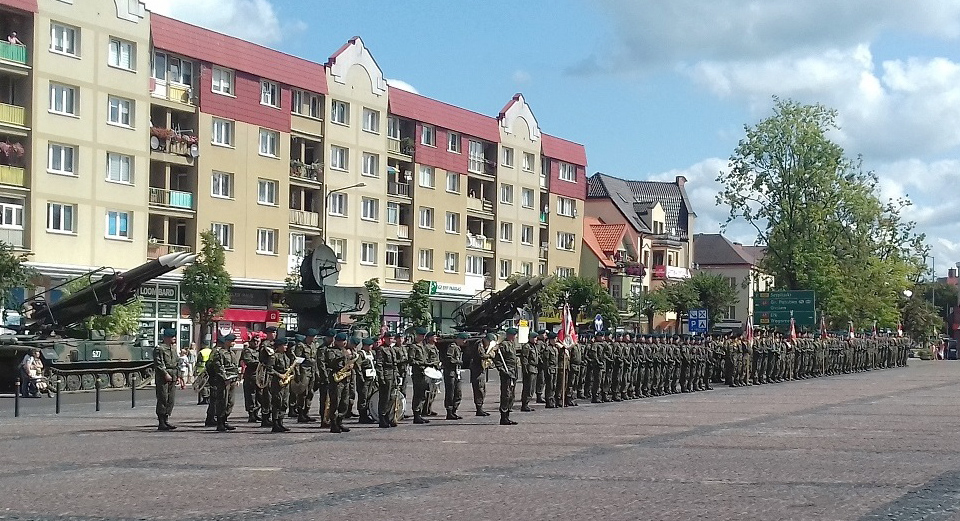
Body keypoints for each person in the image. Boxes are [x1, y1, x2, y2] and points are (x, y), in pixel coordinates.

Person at [207, 334, 239, 432]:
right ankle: (220, 423)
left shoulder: (232, 353)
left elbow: (234, 367)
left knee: (230, 402)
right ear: (227, 342)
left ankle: (225, 420)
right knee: (222, 401)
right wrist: (225, 378)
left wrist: (236, 378)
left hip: (232, 379)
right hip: (223, 381)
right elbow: (218, 367)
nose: (234, 343)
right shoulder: (219, 353)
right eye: (232, 341)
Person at [324, 333, 353, 433]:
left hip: (345, 379)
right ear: (336, 341)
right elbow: (332, 362)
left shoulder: (345, 351)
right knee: (335, 402)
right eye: (341, 340)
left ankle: (340, 421)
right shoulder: (331, 351)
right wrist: (343, 357)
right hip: (336, 378)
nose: (344, 342)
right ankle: (333, 424)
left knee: (344, 402)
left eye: (344, 340)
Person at [153, 329, 179, 431]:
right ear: (166, 338)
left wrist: (179, 375)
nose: (174, 339)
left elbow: (177, 362)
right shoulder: (160, 349)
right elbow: (159, 363)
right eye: (172, 337)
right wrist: (165, 374)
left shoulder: (173, 348)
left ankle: (166, 419)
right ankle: (161, 422)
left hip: (173, 374)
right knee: (163, 398)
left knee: (170, 399)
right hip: (163, 376)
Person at [493, 327, 519, 425]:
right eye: (514, 335)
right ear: (510, 335)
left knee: (511, 395)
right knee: (506, 395)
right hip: (506, 373)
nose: (515, 337)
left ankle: (507, 415)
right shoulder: (503, 345)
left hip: (513, 373)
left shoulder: (512, 344)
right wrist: (503, 370)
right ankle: (503, 417)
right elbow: (497, 360)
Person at [268, 337, 293, 433]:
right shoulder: (274, 356)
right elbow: (269, 369)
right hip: (277, 382)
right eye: (284, 345)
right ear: (279, 346)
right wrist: (280, 375)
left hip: (285, 382)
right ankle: (275, 424)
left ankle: (281, 422)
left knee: (284, 403)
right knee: (277, 402)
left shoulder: (286, 356)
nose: (286, 347)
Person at [408, 327, 430, 424]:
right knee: (418, 394)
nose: (422, 337)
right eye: (421, 335)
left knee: (423, 394)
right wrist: (421, 363)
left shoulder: (423, 346)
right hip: (417, 373)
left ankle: (420, 413)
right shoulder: (413, 347)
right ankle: (416, 414)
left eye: (423, 336)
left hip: (424, 372)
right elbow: (411, 360)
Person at [443, 333, 466, 420]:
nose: (464, 342)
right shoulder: (452, 347)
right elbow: (449, 358)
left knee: (458, 393)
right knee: (450, 393)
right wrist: (458, 362)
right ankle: (449, 411)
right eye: (463, 340)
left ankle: (454, 410)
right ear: (458, 339)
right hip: (450, 372)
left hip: (456, 373)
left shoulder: (458, 348)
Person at [240, 334, 261, 423]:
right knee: (251, 396)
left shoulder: (260, 351)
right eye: (254, 341)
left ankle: (256, 413)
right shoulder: (248, 351)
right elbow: (249, 361)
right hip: (250, 376)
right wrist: (260, 363)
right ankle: (251, 414)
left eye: (258, 341)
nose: (256, 343)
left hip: (259, 376)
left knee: (259, 396)